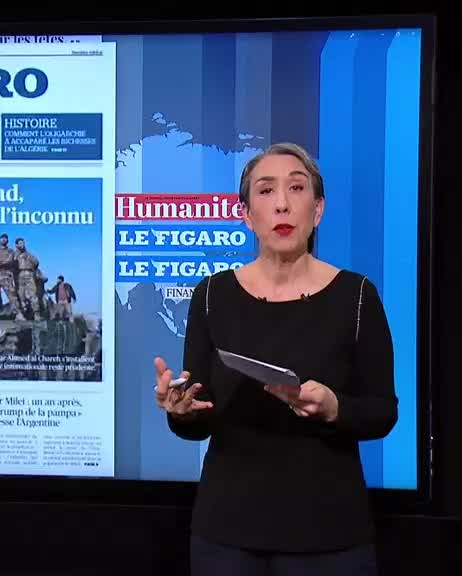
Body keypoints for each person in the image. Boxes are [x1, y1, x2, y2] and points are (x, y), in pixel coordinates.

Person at [153, 142, 397, 576]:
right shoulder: (211, 295)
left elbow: (382, 413)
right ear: (246, 214)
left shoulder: (357, 296)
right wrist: (182, 411)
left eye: (296, 188)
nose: (282, 204)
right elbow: (199, 418)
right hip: (226, 535)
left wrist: (334, 408)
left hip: (329, 534)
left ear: (317, 210)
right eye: (266, 191)